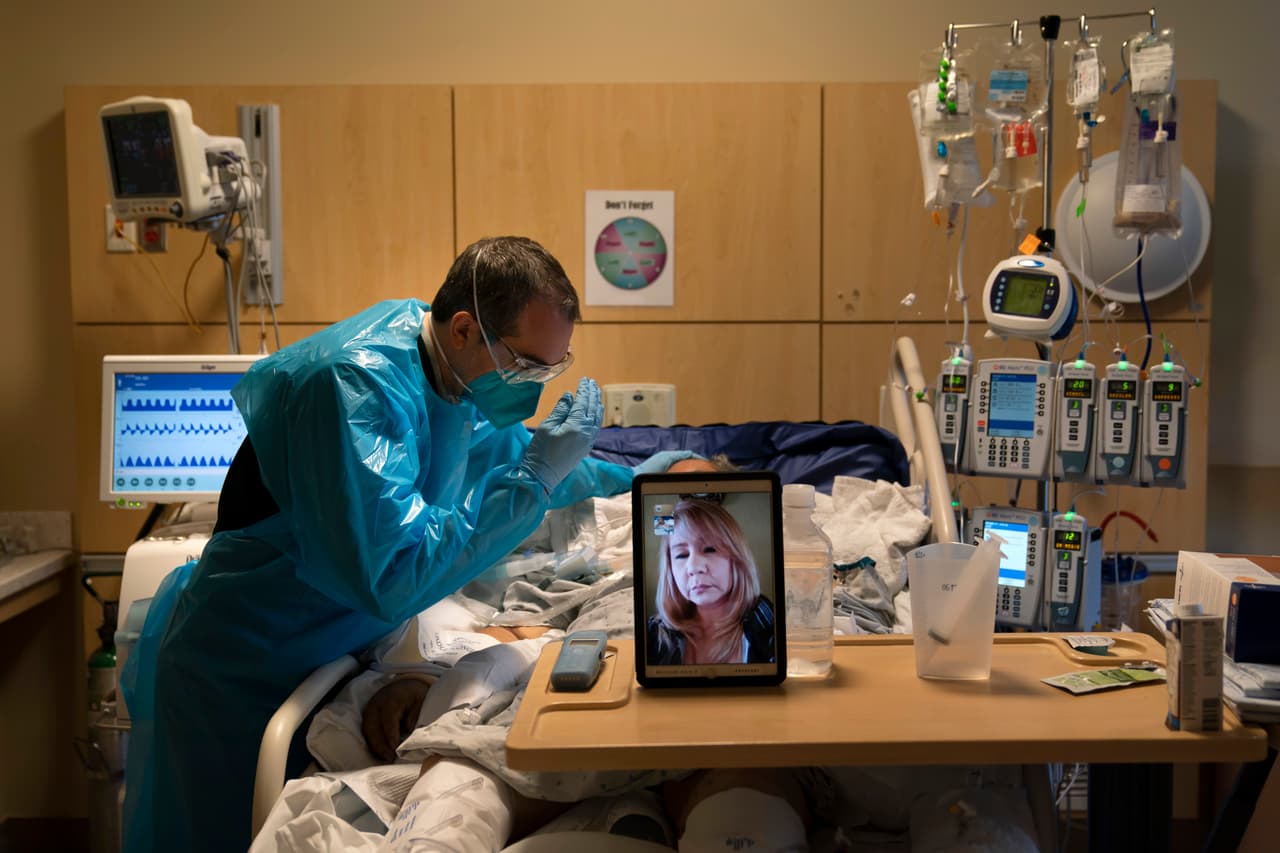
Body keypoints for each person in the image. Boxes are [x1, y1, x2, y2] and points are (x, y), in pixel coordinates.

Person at [121, 236, 689, 853]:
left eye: (552, 369)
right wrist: (534, 480)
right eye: (528, 366)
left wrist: (642, 478)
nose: (534, 385)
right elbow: (394, 572)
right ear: (468, 328)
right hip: (242, 665)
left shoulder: (453, 373)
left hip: (335, 654)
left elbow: (510, 458)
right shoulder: (352, 386)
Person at [646, 498, 775, 665]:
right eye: (681, 555)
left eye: (709, 549)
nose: (693, 567)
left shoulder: (767, 622)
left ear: (736, 558)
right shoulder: (654, 633)